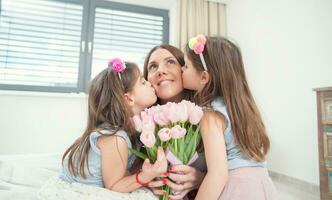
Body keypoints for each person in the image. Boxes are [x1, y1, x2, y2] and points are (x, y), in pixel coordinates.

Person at [181, 35, 276, 200]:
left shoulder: (210, 115)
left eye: (186, 65)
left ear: (204, 77)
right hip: (262, 184)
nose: (182, 69)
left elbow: (217, 174)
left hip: (237, 188)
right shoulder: (244, 108)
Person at [60, 58, 168, 193]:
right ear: (129, 99)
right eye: (143, 82)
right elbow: (114, 186)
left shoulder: (133, 130)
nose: (149, 83)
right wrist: (146, 176)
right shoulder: (114, 138)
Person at [143, 45, 206, 199]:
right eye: (153, 66)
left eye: (170, 62)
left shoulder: (207, 116)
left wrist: (201, 179)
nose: (160, 70)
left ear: (184, 69)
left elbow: (233, 173)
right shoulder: (143, 122)